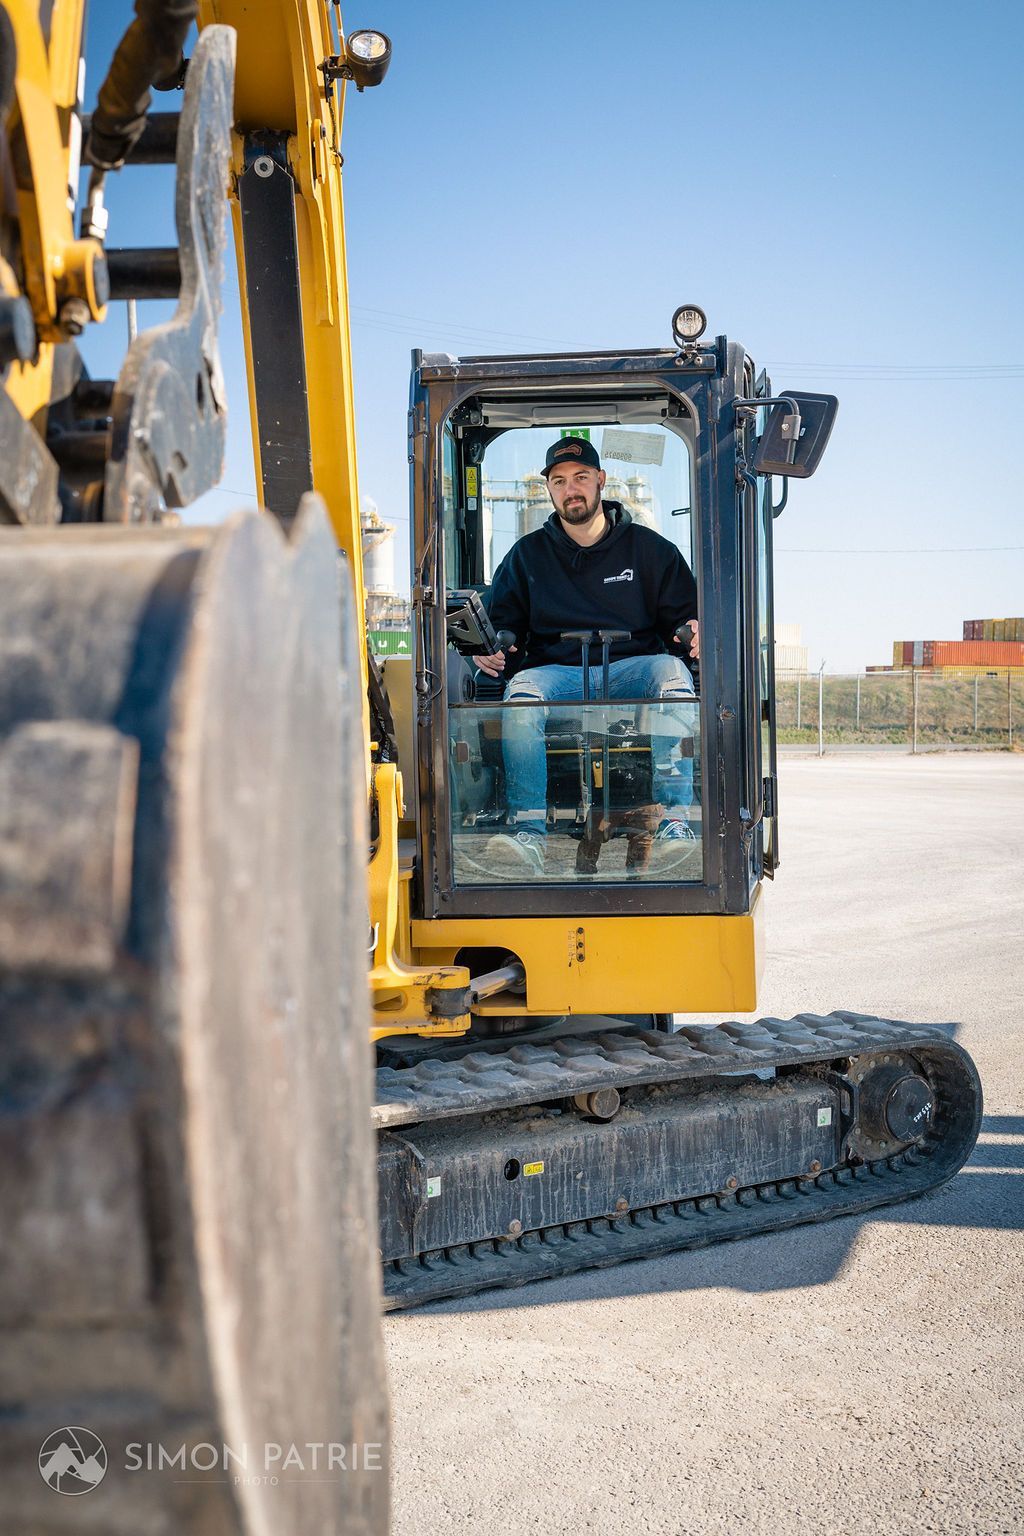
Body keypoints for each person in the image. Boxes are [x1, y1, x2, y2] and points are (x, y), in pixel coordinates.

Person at [476, 435, 699, 874]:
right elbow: (502, 624)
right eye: (559, 481)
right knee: (521, 692)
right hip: (556, 672)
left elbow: (685, 616)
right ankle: (528, 832)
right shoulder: (526, 557)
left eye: (580, 477)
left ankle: (674, 820)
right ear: (549, 490)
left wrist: (695, 627)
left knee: (673, 673)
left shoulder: (649, 550)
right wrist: (490, 650)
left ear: (600, 480)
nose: (570, 489)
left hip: (632, 670)